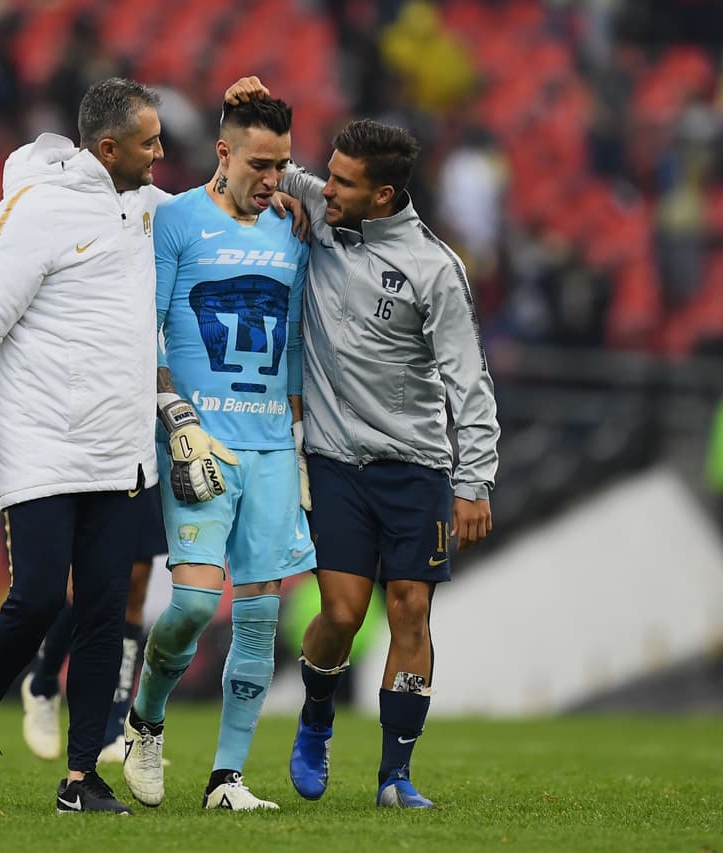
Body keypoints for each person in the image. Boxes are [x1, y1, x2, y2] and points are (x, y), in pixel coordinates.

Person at [227, 81, 500, 809]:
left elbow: (468, 379)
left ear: (383, 196)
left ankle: (395, 774)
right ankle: (316, 714)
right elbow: (248, 167)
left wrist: (474, 481)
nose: (324, 187)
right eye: (328, 174)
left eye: (342, 182)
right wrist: (250, 109)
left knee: (411, 607)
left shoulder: (435, 270)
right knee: (343, 612)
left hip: (416, 465)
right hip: (336, 460)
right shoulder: (320, 202)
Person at [0, 77, 168, 816]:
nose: (162, 153)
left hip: (120, 449)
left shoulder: (147, 208)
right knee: (36, 598)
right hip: (41, 443)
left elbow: (227, 195)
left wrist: (270, 167)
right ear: (108, 148)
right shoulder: (33, 211)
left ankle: (78, 779)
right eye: (149, 142)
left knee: (102, 610)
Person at [120, 96, 314, 812]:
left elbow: (293, 343)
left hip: (270, 444)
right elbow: (151, 333)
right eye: (261, 163)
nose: (275, 178)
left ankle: (225, 779)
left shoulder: (294, 228)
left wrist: (297, 443)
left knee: (261, 615)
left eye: (284, 164)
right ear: (223, 154)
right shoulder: (175, 220)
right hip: (200, 439)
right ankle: (147, 717)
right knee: (196, 603)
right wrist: (175, 416)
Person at [20, 485, 167, 763]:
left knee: (136, 584)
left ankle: (114, 727)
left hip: (140, 461)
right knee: (84, 586)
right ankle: (44, 682)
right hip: (92, 462)